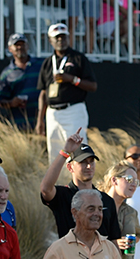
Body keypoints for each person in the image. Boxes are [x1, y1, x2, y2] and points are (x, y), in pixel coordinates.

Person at [40, 133, 120, 241]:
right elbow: (45, 189)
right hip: (70, 256)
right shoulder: (62, 195)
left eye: (91, 162)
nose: (89, 166)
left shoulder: (106, 200)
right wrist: (65, 152)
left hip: (101, 257)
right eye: (83, 162)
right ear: (70, 167)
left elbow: (114, 240)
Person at [35, 23, 97, 160]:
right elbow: (43, 93)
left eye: (63, 37)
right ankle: (58, 181)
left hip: (73, 110)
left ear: (68, 38)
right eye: (56, 38)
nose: (60, 41)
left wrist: (73, 79)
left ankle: (80, 180)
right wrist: (40, 120)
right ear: (50, 40)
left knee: (77, 151)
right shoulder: (47, 63)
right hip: (52, 113)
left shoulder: (79, 58)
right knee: (54, 153)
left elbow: (93, 86)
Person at [102, 161, 140, 259]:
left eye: (136, 182)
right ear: (114, 180)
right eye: (129, 180)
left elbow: (137, 235)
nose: (134, 185)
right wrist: (114, 243)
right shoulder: (98, 205)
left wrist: (130, 242)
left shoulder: (131, 212)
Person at [0, 33, 41, 129]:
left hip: (42, 122)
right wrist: (12, 102)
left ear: (27, 46)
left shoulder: (40, 65)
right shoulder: (6, 73)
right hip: (19, 125)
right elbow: (1, 101)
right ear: (10, 49)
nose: (20, 47)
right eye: (16, 45)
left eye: (22, 44)